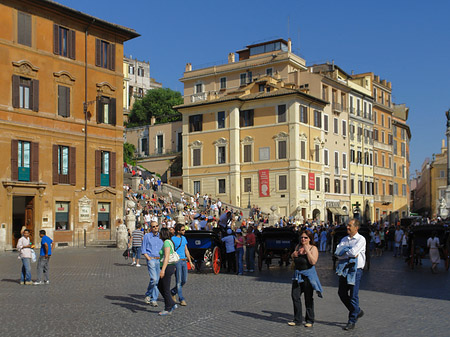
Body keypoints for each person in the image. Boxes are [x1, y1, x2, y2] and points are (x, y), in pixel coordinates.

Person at [335, 219, 366, 331]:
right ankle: (356, 311)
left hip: (355, 270)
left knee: (353, 295)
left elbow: (353, 252)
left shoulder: (361, 239)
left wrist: (345, 252)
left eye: (349, 226)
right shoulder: (344, 239)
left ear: (356, 228)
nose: (347, 227)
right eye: (347, 226)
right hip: (344, 269)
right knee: (341, 293)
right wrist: (347, 253)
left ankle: (351, 320)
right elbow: (338, 254)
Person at [288, 230, 322, 328]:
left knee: (308, 297)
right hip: (297, 275)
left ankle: (309, 319)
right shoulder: (298, 247)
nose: (303, 239)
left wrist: (307, 251)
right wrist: (293, 255)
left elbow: (313, 262)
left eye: (305, 237)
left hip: (308, 276)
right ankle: (297, 319)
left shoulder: (313, 248)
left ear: (309, 239)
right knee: (295, 296)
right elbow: (294, 258)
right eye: (302, 237)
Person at [171, 223, 195, 306]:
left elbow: (186, 250)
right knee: (178, 281)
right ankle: (181, 298)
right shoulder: (172, 239)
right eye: (183, 230)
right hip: (177, 261)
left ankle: (173, 292)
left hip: (184, 261)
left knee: (184, 280)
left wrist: (190, 262)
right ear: (178, 231)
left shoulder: (184, 238)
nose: (184, 231)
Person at [142, 221, 163, 307]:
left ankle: (153, 299)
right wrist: (149, 259)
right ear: (150, 228)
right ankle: (148, 293)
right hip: (151, 259)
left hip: (159, 260)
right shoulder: (147, 236)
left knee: (157, 280)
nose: (155, 228)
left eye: (156, 226)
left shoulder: (161, 236)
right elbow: (143, 249)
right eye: (153, 226)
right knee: (154, 279)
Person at [157, 228, 178, 315]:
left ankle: (167, 308)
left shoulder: (166, 242)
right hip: (169, 267)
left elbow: (166, 257)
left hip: (167, 267)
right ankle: (172, 303)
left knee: (165, 288)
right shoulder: (169, 242)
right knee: (160, 286)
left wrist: (163, 270)